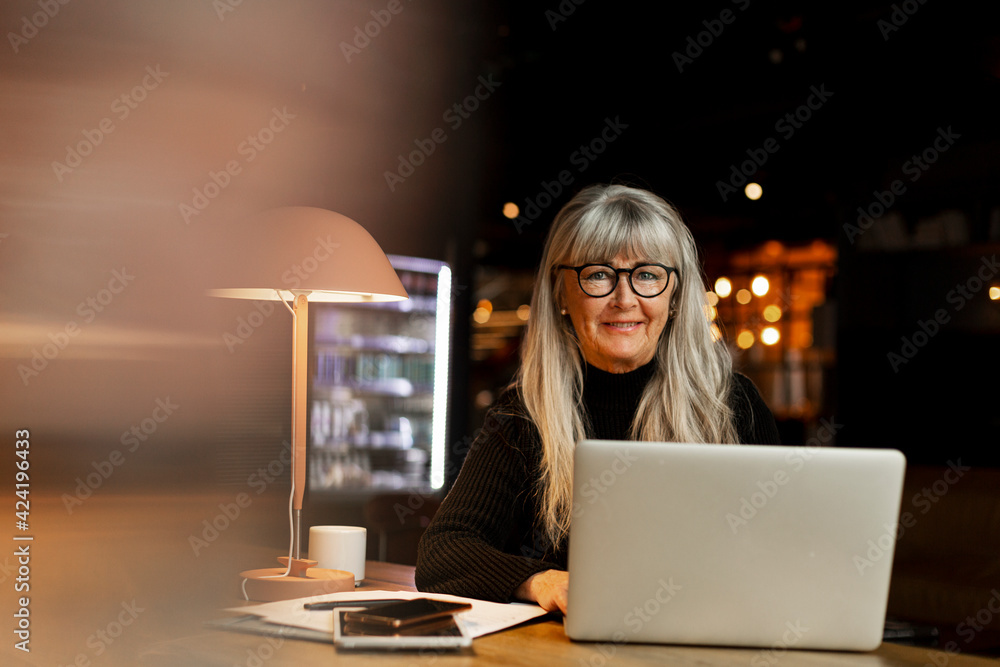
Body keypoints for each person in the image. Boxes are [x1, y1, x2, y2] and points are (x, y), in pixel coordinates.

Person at [415, 183, 780, 614]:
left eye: (647, 275)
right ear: (561, 293)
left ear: (675, 296)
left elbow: (784, 547)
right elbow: (442, 553)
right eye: (598, 275)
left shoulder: (733, 404)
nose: (624, 300)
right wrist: (542, 581)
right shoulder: (524, 415)